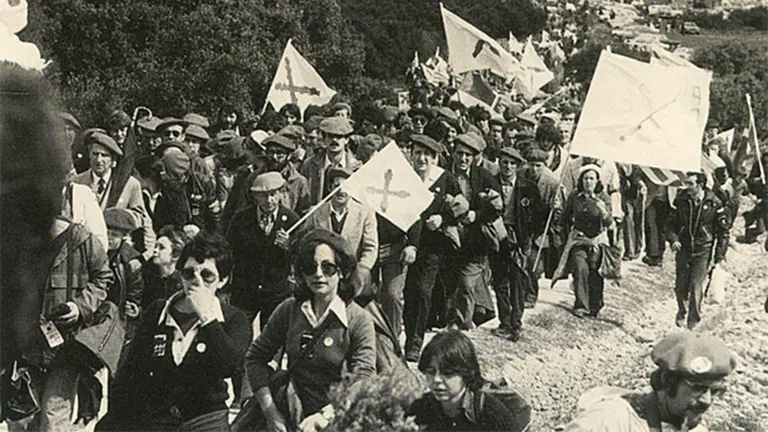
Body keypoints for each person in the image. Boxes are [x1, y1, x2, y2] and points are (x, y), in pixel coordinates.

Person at [103, 232, 251, 431]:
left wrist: (207, 319)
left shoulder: (234, 319)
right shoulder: (157, 312)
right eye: (189, 273)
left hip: (206, 418)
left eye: (207, 276)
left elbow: (230, 366)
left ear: (222, 280)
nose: (196, 281)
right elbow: (131, 372)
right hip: (158, 418)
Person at [245, 229, 376, 432]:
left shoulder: (358, 319)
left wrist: (325, 416)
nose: (318, 274)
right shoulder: (289, 310)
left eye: (328, 268)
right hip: (289, 412)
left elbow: (364, 377)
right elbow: (255, 358)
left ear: (342, 271)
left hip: (337, 416)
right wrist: (270, 411)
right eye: (309, 267)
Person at [565, 331, 737, 432]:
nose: (707, 400)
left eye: (715, 391)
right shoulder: (610, 421)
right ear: (668, 382)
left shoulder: (694, 429)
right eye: (698, 388)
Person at [403, 134, 462, 361]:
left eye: (427, 154)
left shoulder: (445, 179)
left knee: (421, 290)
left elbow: (461, 207)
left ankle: (413, 342)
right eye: (417, 152)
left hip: (432, 245)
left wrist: (443, 218)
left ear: (436, 158)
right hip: (405, 241)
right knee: (404, 291)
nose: (422, 158)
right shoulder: (404, 178)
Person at [408, 330, 522, 431]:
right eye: (431, 372)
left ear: (466, 373)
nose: (436, 379)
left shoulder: (491, 413)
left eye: (447, 373)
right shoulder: (420, 409)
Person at [226, 171, 297, 327]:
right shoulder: (242, 218)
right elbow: (229, 250)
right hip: (245, 290)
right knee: (238, 332)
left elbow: (299, 256)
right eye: (263, 195)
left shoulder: (291, 220)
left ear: (280, 193)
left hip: (275, 291)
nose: (269, 200)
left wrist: (288, 246)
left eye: (273, 194)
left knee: (273, 339)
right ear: (255, 196)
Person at [665, 172, 730, 329]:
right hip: (684, 249)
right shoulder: (681, 201)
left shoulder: (715, 203)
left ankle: (693, 321)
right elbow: (669, 225)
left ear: (700, 185)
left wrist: (719, 255)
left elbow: (723, 232)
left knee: (696, 285)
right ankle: (682, 310)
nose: (686, 187)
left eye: (690, 184)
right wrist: (673, 240)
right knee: (681, 285)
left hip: (703, 249)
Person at [301, 167, 378, 298]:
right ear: (330, 188)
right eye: (337, 186)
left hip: (354, 277)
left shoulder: (365, 213)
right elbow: (307, 243)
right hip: (324, 276)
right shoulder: (316, 212)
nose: (341, 190)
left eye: (346, 186)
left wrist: (361, 270)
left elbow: (370, 247)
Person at [552, 165, 615, 318]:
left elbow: (610, 223)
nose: (588, 182)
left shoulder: (603, 197)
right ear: (581, 181)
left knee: (595, 272)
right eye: (586, 179)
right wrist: (556, 212)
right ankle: (581, 305)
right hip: (578, 240)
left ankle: (595, 305)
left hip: (597, 241)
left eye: (592, 178)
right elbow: (565, 217)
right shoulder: (575, 196)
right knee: (580, 269)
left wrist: (603, 211)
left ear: (597, 181)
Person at [488, 147, 528, 341]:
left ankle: (517, 323)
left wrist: (527, 241)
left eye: (512, 163)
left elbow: (535, 216)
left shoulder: (527, 187)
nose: (508, 167)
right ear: (499, 163)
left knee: (518, 281)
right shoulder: (490, 183)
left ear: (518, 166)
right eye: (504, 162)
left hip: (518, 239)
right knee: (500, 280)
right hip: (496, 236)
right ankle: (504, 321)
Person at [300, 117, 362, 206]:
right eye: (331, 136)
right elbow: (303, 198)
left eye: (339, 136)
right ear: (325, 138)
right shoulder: (309, 164)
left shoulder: (356, 167)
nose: (334, 140)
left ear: (347, 139)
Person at [103, 208, 144, 342]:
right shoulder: (95, 251)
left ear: (124, 237)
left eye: (114, 235)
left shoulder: (131, 263)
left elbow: (134, 294)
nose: (108, 238)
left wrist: (133, 307)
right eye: (106, 232)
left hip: (116, 318)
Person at [141, 226, 188, 307]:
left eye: (161, 247)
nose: (155, 250)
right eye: (155, 246)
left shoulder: (183, 283)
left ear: (175, 255)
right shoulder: (145, 276)